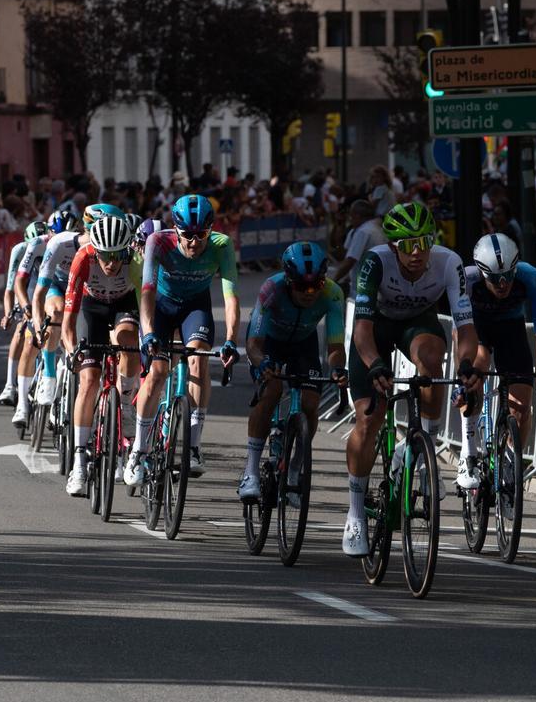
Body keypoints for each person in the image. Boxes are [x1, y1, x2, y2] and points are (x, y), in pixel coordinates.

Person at [343, 202, 480, 556]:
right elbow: (362, 331)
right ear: (392, 246)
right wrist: (375, 364)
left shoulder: (449, 263)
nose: (417, 252)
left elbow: (465, 328)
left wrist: (466, 363)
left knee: (432, 362)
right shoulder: (375, 262)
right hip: (376, 328)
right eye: (406, 245)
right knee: (369, 417)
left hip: (416, 325)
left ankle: (423, 449)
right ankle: (356, 513)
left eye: (423, 242)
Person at [123, 194, 241, 485]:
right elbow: (147, 292)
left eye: (201, 234)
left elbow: (231, 298)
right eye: (187, 235)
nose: (193, 242)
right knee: (158, 372)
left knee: (199, 362)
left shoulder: (222, 246)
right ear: (175, 230)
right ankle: (139, 449)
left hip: (195, 307)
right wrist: (148, 332)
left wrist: (230, 340)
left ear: (210, 230)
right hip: (161, 307)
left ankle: (194, 446)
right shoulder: (158, 242)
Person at [238, 242, 346, 500]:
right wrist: (261, 362)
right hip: (269, 344)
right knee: (272, 390)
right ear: (288, 281)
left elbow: (335, 345)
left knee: (310, 403)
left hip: (303, 345)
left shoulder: (333, 294)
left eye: (316, 285)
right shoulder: (271, 289)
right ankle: (250, 473)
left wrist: (338, 368)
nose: (309, 293)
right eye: (301, 286)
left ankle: (296, 466)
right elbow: (253, 344)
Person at [454, 233, 536, 490]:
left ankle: (511, 460)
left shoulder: (532, 277)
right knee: (476, 367)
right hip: (475, 327)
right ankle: (468, 453)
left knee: (522, 406)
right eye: (494, 279)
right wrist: (463, 370)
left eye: (508, 276)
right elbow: (460, 331)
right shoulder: (465, 279)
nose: (502, 284)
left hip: (510, 327)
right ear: (481, 273)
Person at [60, 215, 143, 496]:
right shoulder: (83, 258)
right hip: (91, 307)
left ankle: (127, 404)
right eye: (105, 256)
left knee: (129, 340)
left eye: (117, 255)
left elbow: (148, 307)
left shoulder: (136, 260)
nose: (111, 263)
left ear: (126, 251)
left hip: (124, 304)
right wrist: (73, 351)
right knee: (88, 380)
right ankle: (79, 459)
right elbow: (68, 320)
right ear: (96, 251)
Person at [19, 205, 115, 427]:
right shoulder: (58, 243)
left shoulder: (106, 250)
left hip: (82, 289)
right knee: (56, 313)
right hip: (55, 285)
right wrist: (35, 322)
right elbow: (39, 291)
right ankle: (50, 377)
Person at [0, 220, 49, 406]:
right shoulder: (19, 251)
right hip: (25, 286)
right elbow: (10, 289)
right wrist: (8, 314)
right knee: (20, 330)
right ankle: (9, 384)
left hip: (43, 284)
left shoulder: (49, 248)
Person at [332, 200, 386, 289]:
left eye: (350, 215)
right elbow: (343, 255)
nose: (349, 218)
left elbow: (350, 261)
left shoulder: (363, 231)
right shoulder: (369, 228)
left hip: (363, 286)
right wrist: (339, 227)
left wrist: (333, 281)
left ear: (357, 215)